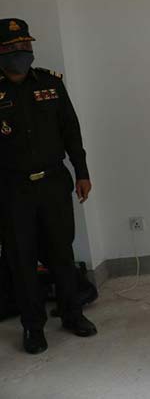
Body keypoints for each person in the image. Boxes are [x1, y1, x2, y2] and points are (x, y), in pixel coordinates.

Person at [0, 18, 97, 355]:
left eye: (26, 45)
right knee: (21, 259)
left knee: (61, 252)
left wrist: (82, 172)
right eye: (13, 47)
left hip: (54, 182)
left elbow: (71, 130)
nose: (22, 52)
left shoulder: (51, 84)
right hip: (12, 189)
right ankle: (33, 326)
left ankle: (72, 314)